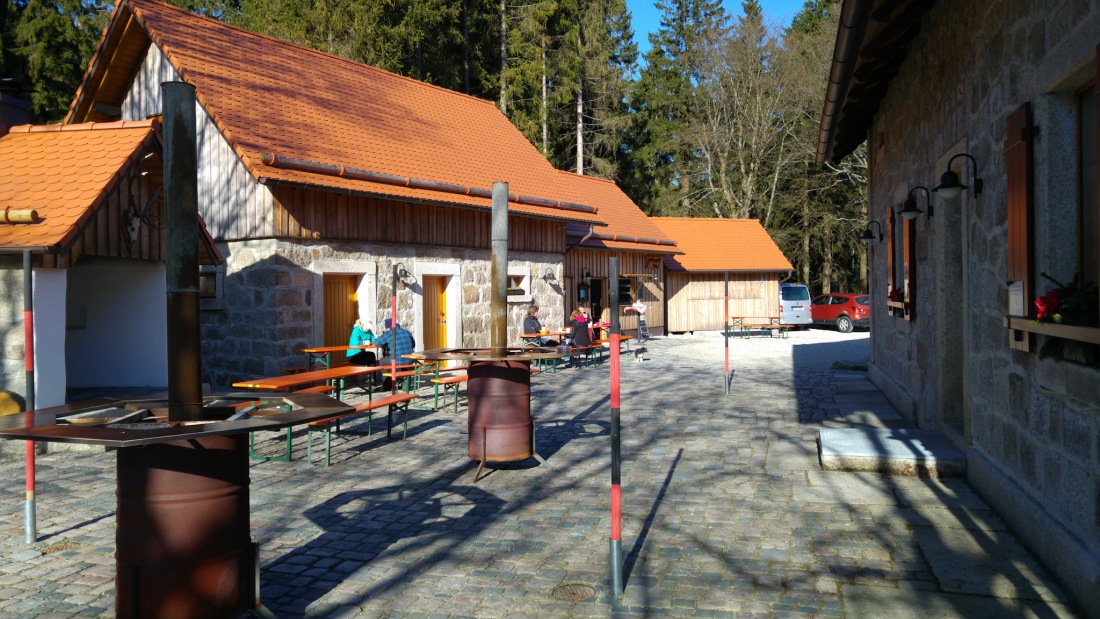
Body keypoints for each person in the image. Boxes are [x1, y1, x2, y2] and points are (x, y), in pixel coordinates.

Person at [374, 318, 417, 391]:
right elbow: (413, 345)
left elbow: (377, 343)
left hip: (397, 360)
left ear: (388, 327)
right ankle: (405, 383)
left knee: (382, 362)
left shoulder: (389, 333)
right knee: (402, 362)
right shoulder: (406, 332)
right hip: (410, 359)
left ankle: (387, 385)